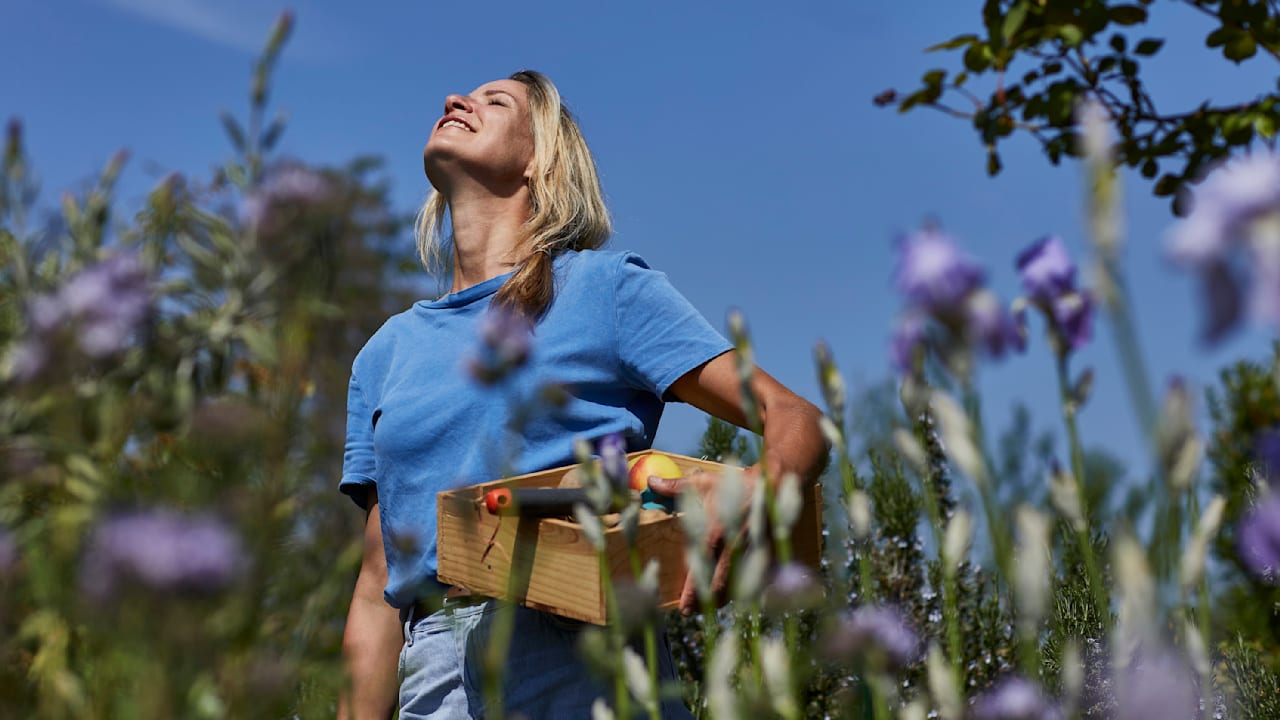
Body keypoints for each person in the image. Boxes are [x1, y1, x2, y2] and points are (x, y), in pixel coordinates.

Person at [337, 70, 827, 720]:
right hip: (436, 674)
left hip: (582, 660)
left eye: (495, 101)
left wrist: (763, 487)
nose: (455, 101)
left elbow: (797, 418)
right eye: (459, 96)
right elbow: (376, 591)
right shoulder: (386, 352)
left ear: (539, 157)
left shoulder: (606, 293)